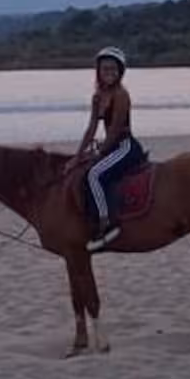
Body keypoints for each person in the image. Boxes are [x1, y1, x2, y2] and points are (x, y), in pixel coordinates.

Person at [78, 46, 144, 250]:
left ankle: (107, 223)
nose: (109, 73)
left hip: (125, 146)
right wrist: (78, 154)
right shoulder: (98, 96)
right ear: (98, 71)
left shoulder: (121, 95)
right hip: (111, 146)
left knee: (94, 175)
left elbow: (114, 131)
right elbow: (91, 128)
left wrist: (99, 152)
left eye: (113, 69)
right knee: (79, 169)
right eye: (105, 69)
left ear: (120, 71)